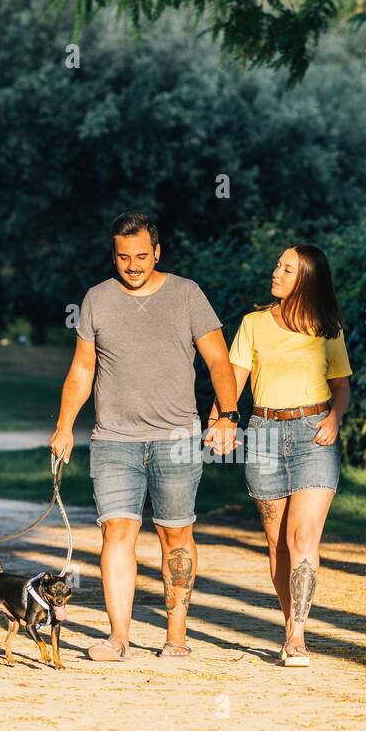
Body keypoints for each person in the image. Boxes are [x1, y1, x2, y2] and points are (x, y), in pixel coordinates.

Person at [51, 212, 240, 661]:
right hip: (113, 437)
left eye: (141, 256)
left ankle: (176, 637)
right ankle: (118, 638)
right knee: (117, 532)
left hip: (176, 437)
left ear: (158, 251)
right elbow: (82, 368)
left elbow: (218, 361)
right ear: (113, 255)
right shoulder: (97, 298)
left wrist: (228, 416)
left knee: (176, 535)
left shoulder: (187, 294)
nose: (132, 265)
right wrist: (63, 426)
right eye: (123, 257)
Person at [210, 245, 352, 668]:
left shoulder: (329, 328)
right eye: (277, 265)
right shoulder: (254, 324)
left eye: (286, 269)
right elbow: (231, 380)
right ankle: (289, 619)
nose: (276, 272)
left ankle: (297, 636)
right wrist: (222, 421)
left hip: (314, 436)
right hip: (265, 434)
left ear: (305, 279)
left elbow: (341, 385)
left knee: (303, 536)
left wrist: (335, 419)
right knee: (277, 546)